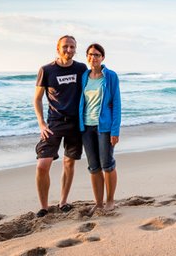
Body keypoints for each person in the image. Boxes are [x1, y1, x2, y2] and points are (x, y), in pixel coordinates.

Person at [33, 35, 88, 217]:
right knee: (42, 165)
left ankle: (63, 201)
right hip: (54, 124)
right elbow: (37, 99)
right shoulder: (47, 70)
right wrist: (41, 123)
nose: (69, 50)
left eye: (72, 47)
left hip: (75, 124)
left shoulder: (81, 68)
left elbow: (89, 92)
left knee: (69, 162)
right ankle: (44, 206)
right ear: (58, 48)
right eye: (65, 47)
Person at [78, 43, 121, 211]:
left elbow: (116, 104)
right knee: (94, 167)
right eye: (90, 54)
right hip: (86, 127)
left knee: (107, 164)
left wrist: (115, 131)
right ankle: (98, 203)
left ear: (102, 57)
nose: (93, 57)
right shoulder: (84, 77)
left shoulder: (110, 76)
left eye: (96, 54)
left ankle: (110, 201)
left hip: (104, 127)